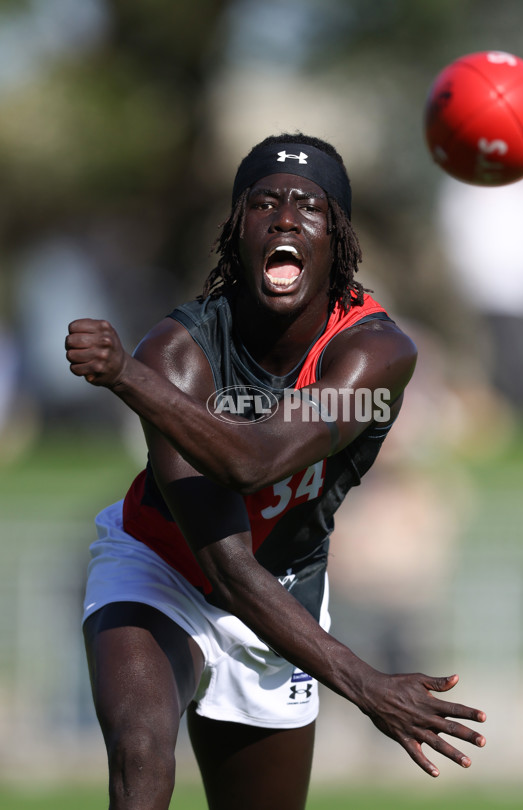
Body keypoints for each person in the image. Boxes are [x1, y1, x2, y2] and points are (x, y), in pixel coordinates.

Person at [65, 133, 486, 810]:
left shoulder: (375, 352)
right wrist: (362, 681)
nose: (286, 218)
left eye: (308, 206)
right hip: (162, 567)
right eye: (264, 203)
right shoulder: (175, 353)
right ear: (237, 232)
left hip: (285, 586)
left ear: (338, 239)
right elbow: (225, 565)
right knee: (141, 752)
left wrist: (124, 379)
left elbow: (256, 461)